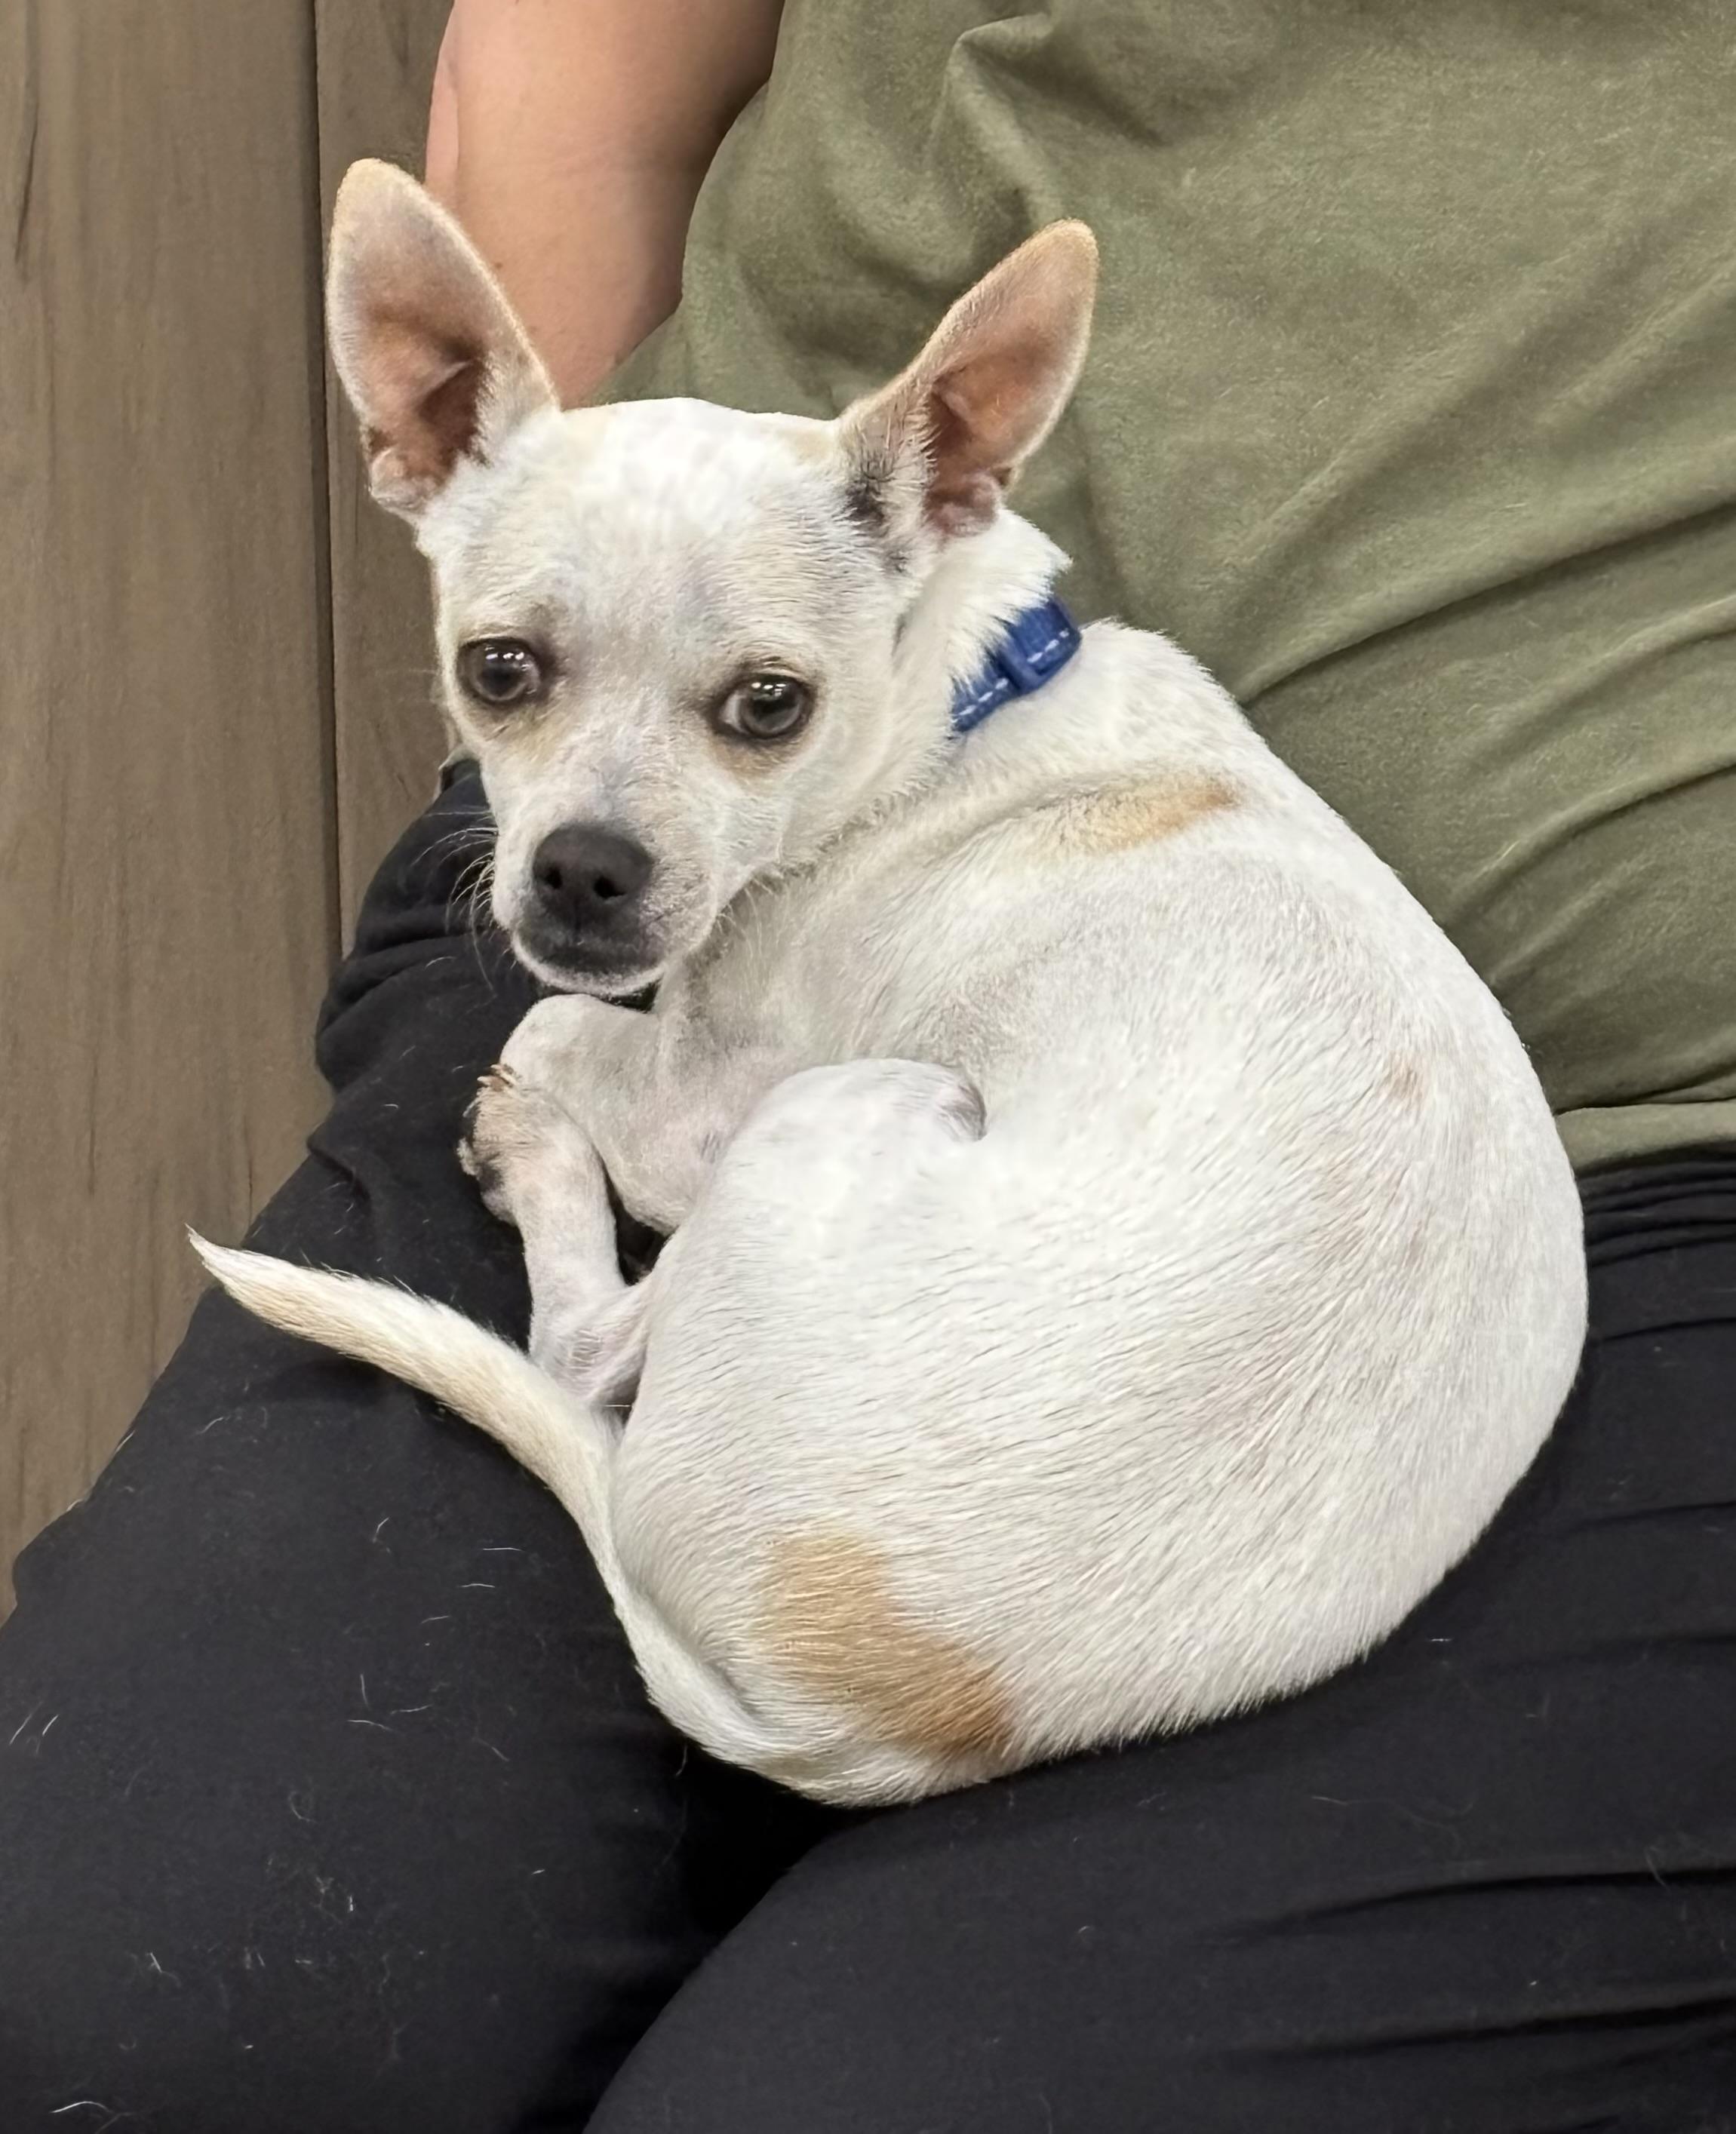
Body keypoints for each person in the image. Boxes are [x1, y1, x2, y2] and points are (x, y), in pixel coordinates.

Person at [4, 2, 1734, 2126]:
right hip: (873, 1069)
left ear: (956, 496)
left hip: (1590, 1203)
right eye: (511, 679)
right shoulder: (652, 773)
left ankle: (618, 1353)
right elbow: (568, 73)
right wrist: (599, 510)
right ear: (414, 432)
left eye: (756, 710)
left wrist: (590, 623)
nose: (594, 796)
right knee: (122, 2015)